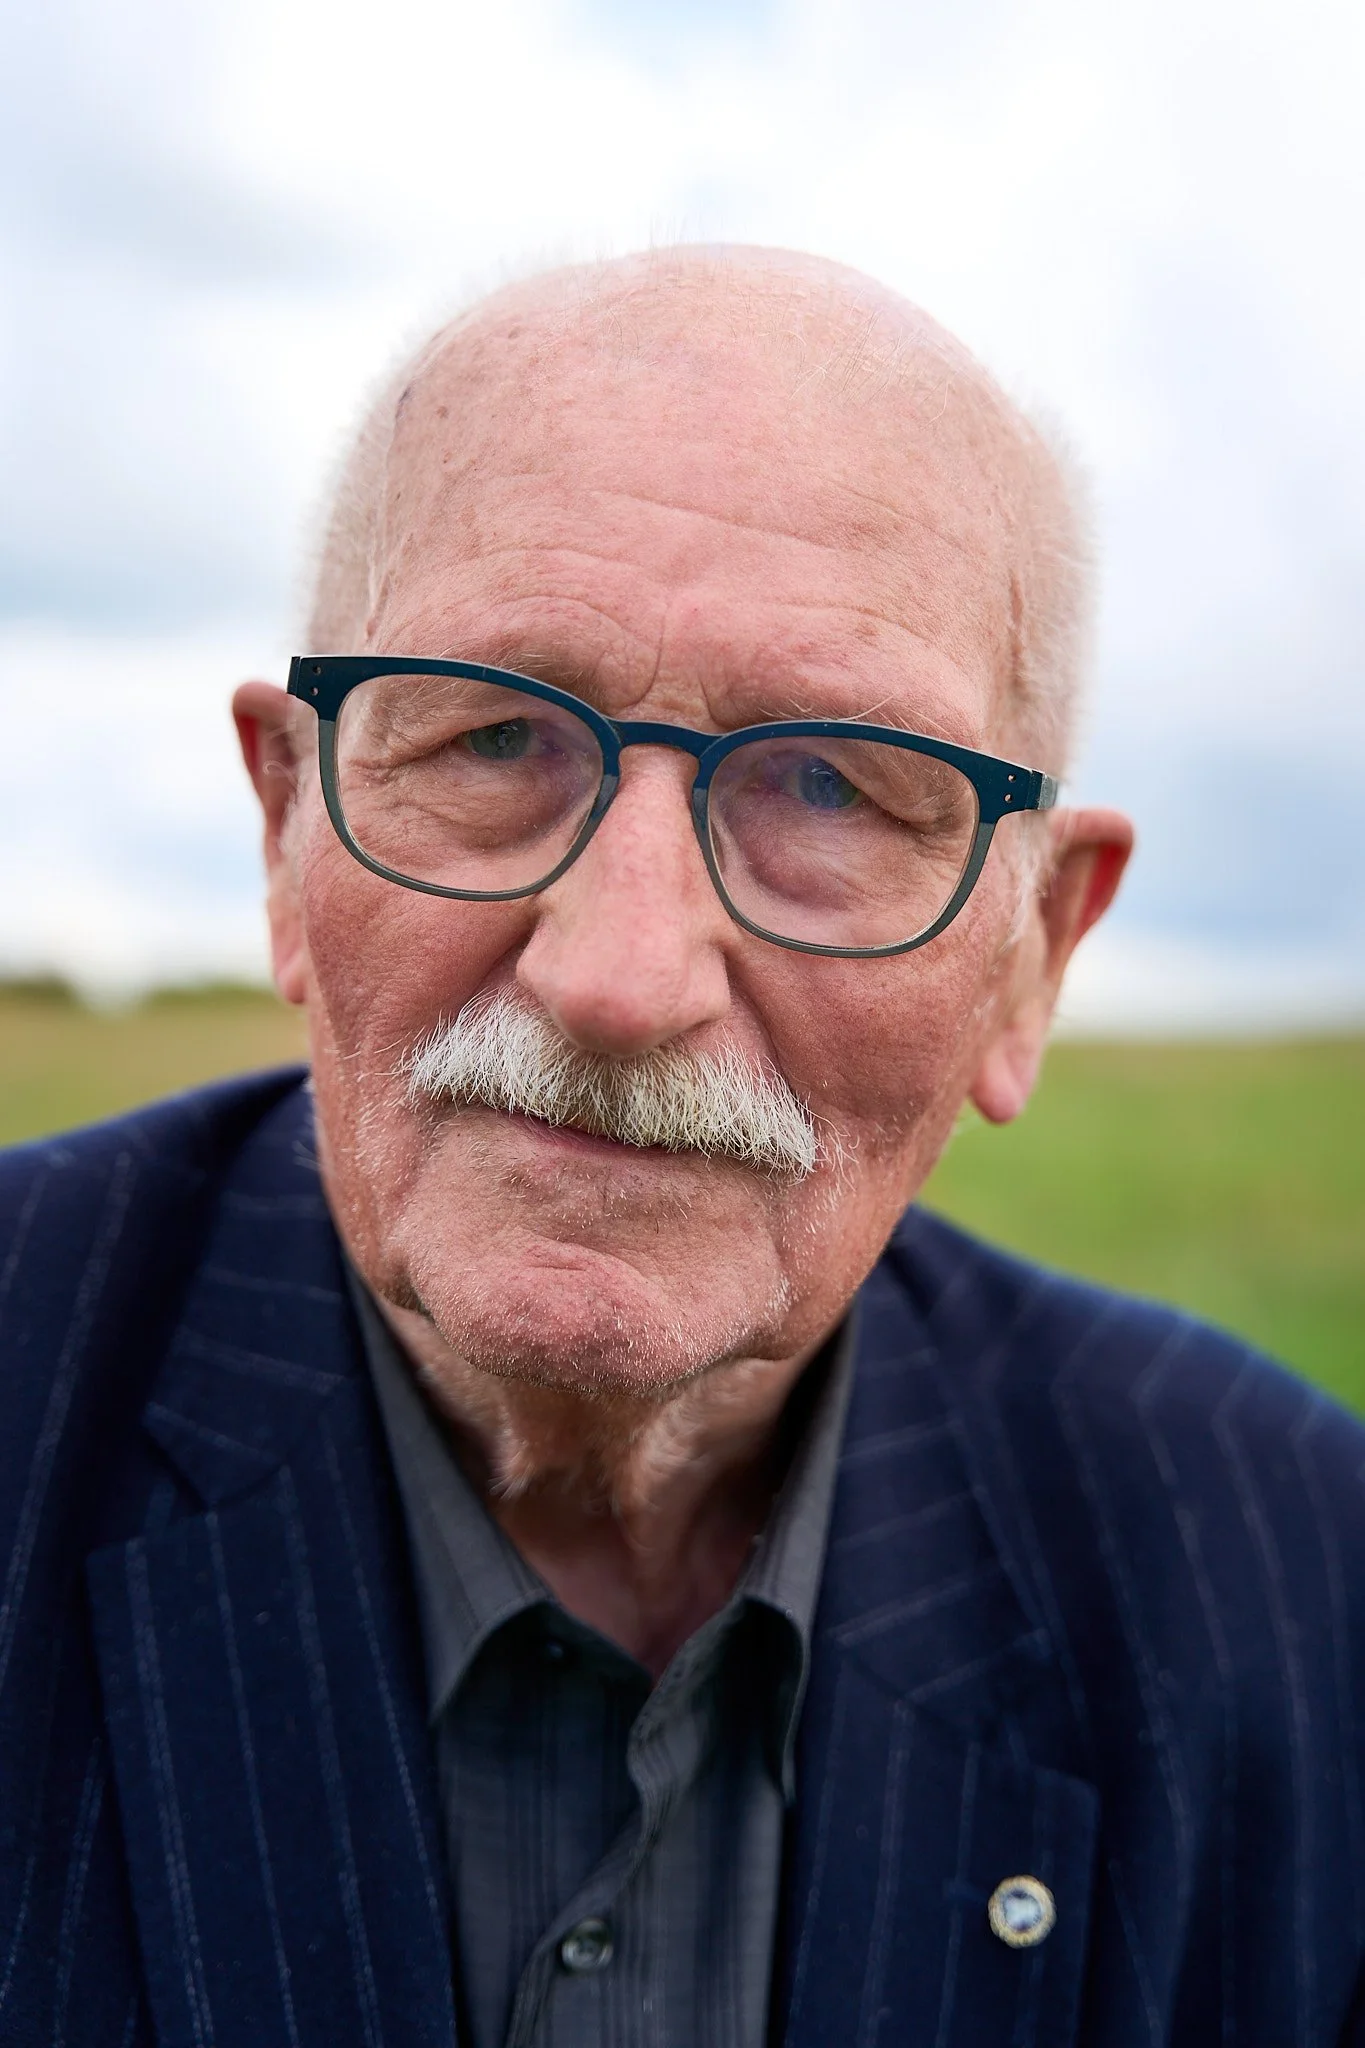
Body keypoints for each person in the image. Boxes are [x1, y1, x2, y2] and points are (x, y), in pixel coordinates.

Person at [1, 246, 1361, 2048]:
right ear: (286, 838)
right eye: (492, 736)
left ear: (1029, 958)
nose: (621, 977)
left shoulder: (1297, 1584)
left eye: (829, 787)